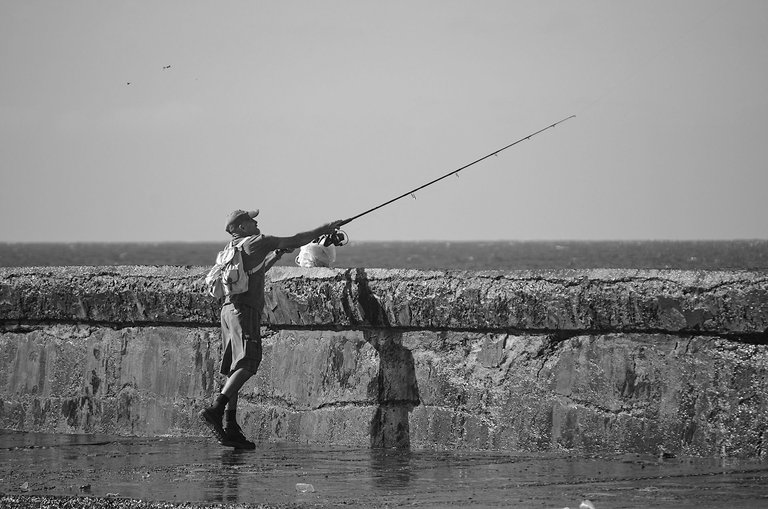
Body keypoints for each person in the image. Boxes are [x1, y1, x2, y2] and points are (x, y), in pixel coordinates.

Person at [199, 209, 344, 449]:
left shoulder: (232, 248)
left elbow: (252, 275)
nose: (256, 222)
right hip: (244, 311)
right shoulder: (257, 241)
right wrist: (325, 228)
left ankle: (231, 426)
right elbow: (297, 240)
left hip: (228, 310)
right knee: (248, 363)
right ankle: (216, 408)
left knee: (235, 367)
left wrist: (275, 257)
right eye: (250, 219)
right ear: (242, 227)